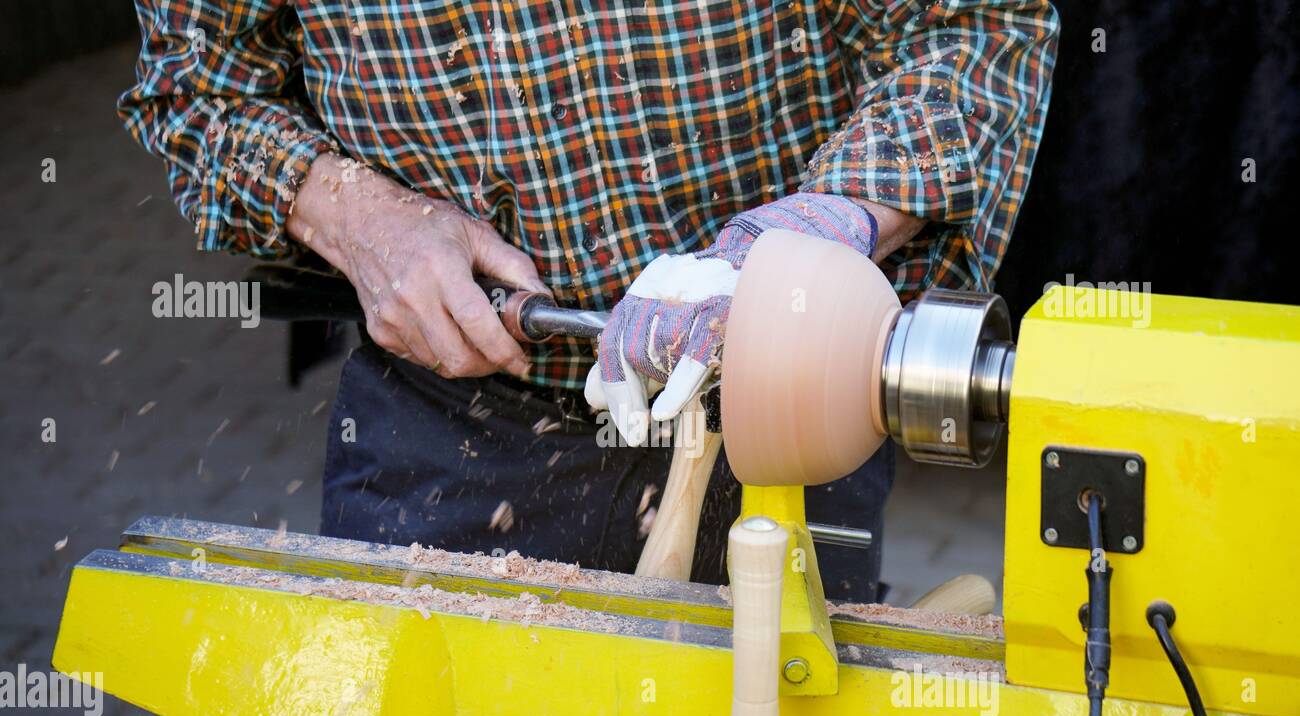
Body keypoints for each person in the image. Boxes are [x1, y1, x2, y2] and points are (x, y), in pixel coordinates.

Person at [119, 1, 1058, 599]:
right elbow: (194, 91)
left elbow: (974, 24)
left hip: (784, 404)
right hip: (446, 425)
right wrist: (357, 215)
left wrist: (824, 223)